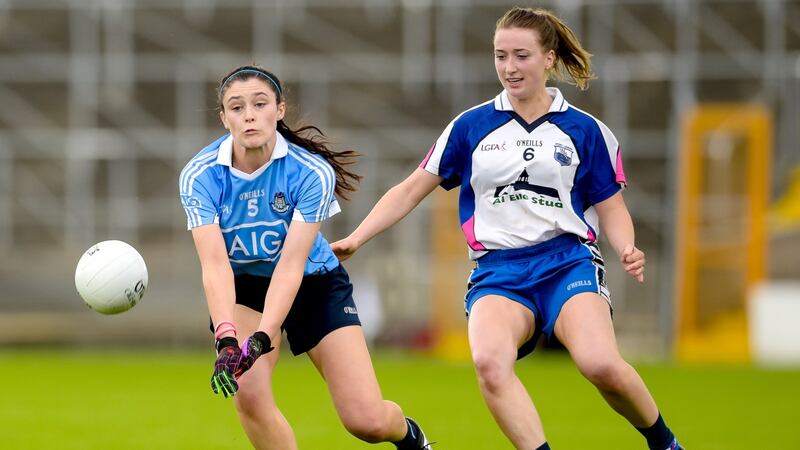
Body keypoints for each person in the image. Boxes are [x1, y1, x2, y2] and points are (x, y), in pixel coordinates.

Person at [331, 7, 683, 450]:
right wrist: (357, 238)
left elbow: (611, 206)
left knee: (600, 365)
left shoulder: (586, 130)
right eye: (501, 56)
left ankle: (665, 443)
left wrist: (627, 246)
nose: (509, 68)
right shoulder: (471, 125)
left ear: (548, 58)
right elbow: (409, 190)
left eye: (521, 56)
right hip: (498, 271)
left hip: (566, 263)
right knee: (490, 366)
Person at [178, 65, 432, 450]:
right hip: (245, 287)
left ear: (279, 110)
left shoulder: (310, 172)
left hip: (314, 285)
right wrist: (227, 338)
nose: (248, 114)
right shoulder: (200, 176)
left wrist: (265, 335)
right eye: (236, 107)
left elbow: (292, 265)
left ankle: (411, 436)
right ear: (223, 118)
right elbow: (214, 266)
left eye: (259, 103)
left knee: (367, 422)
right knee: (248, 394)